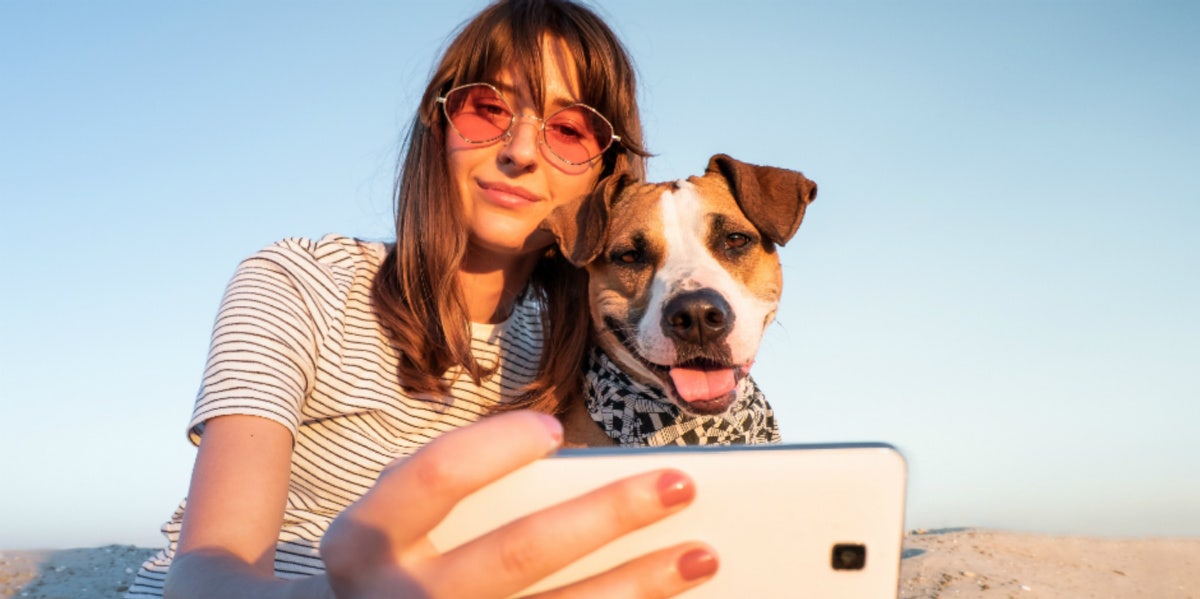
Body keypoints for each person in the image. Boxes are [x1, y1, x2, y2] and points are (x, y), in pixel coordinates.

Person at [126, 0, 721, 597]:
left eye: (568, 129)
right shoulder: (302, 282)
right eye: (487, 110)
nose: (520, 151)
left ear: (608, 175)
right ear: (438, 124)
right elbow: (206, 572)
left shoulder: (601, 346)